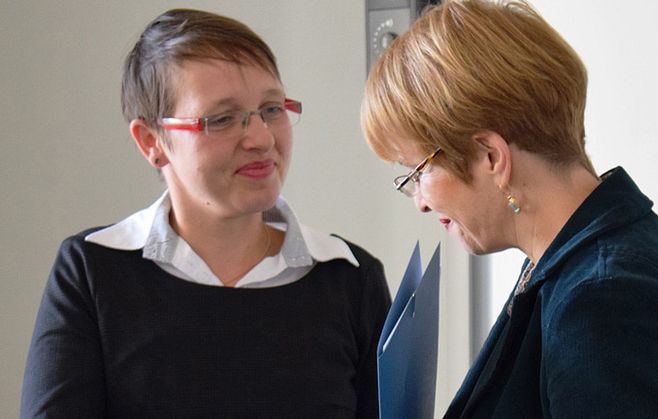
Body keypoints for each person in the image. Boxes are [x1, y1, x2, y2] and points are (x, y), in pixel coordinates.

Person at [361, 0, 658, 417]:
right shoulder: (581, 259)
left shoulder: (604, 299)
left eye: (418, 171)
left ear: (490, 157)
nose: (420, 201)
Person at [21, 8, 391, 418]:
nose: (260, 138)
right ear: (151, 142)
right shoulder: (92, 272)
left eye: (271, 109)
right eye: (221, 119)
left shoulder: (350, 280)